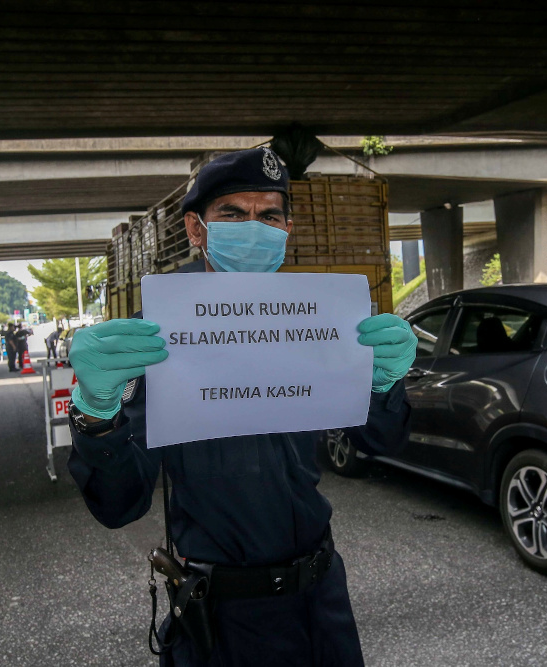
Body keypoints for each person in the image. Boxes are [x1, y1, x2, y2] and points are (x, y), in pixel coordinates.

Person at [66, 148, 417, 667]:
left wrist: (385, 384)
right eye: (233, 213)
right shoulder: (155, 337)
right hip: (221, 622)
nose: (254, 228)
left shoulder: (322, 325)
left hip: (321, 605)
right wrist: (98, 414)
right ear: (195, 228)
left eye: (269, 215)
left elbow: (380, 444)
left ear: (287, 228)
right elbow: (120, 504)